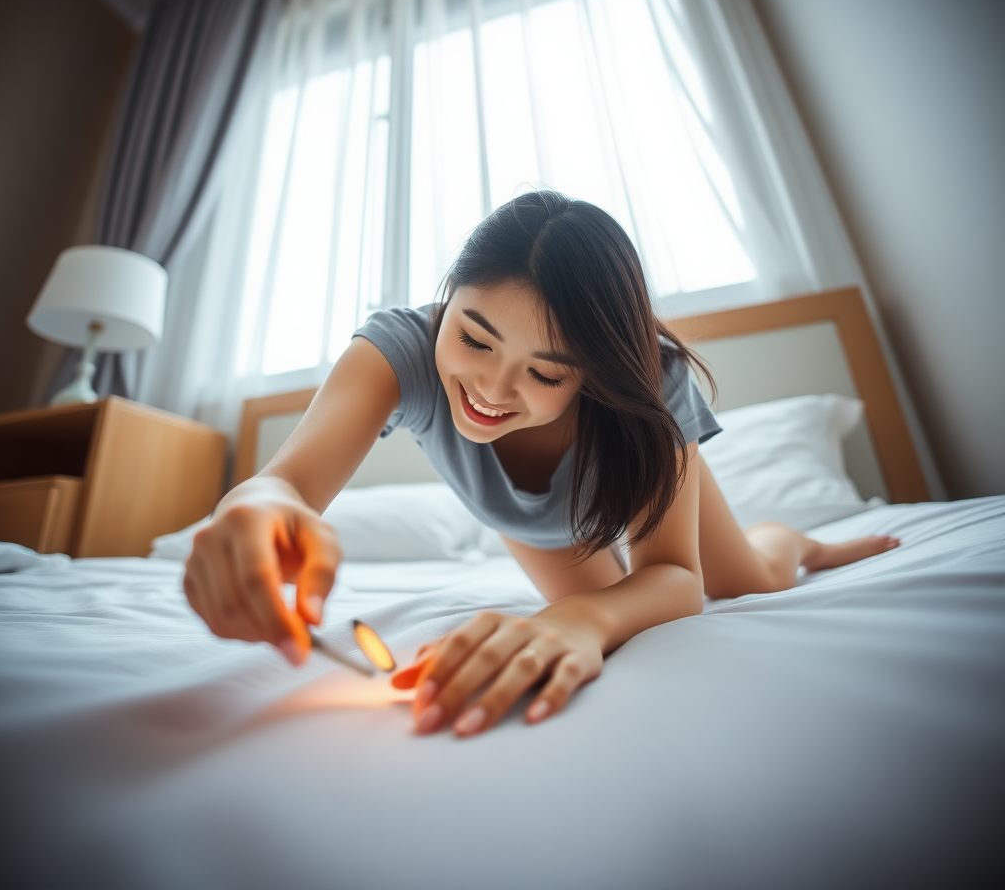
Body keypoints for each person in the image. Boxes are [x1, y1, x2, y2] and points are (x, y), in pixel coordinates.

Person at [184, 191, 899, 737]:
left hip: (618, 489)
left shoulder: (651, 385)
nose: (493, 392)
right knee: (585, 609)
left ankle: (795, 539)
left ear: (591, 376)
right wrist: (256, 508)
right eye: (475, 337)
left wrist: (586, 623)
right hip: (529, 522)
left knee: (750, 578)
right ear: (448, 299)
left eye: (548, 375)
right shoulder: (399, 349)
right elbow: (287, 482)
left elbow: (675, 580)